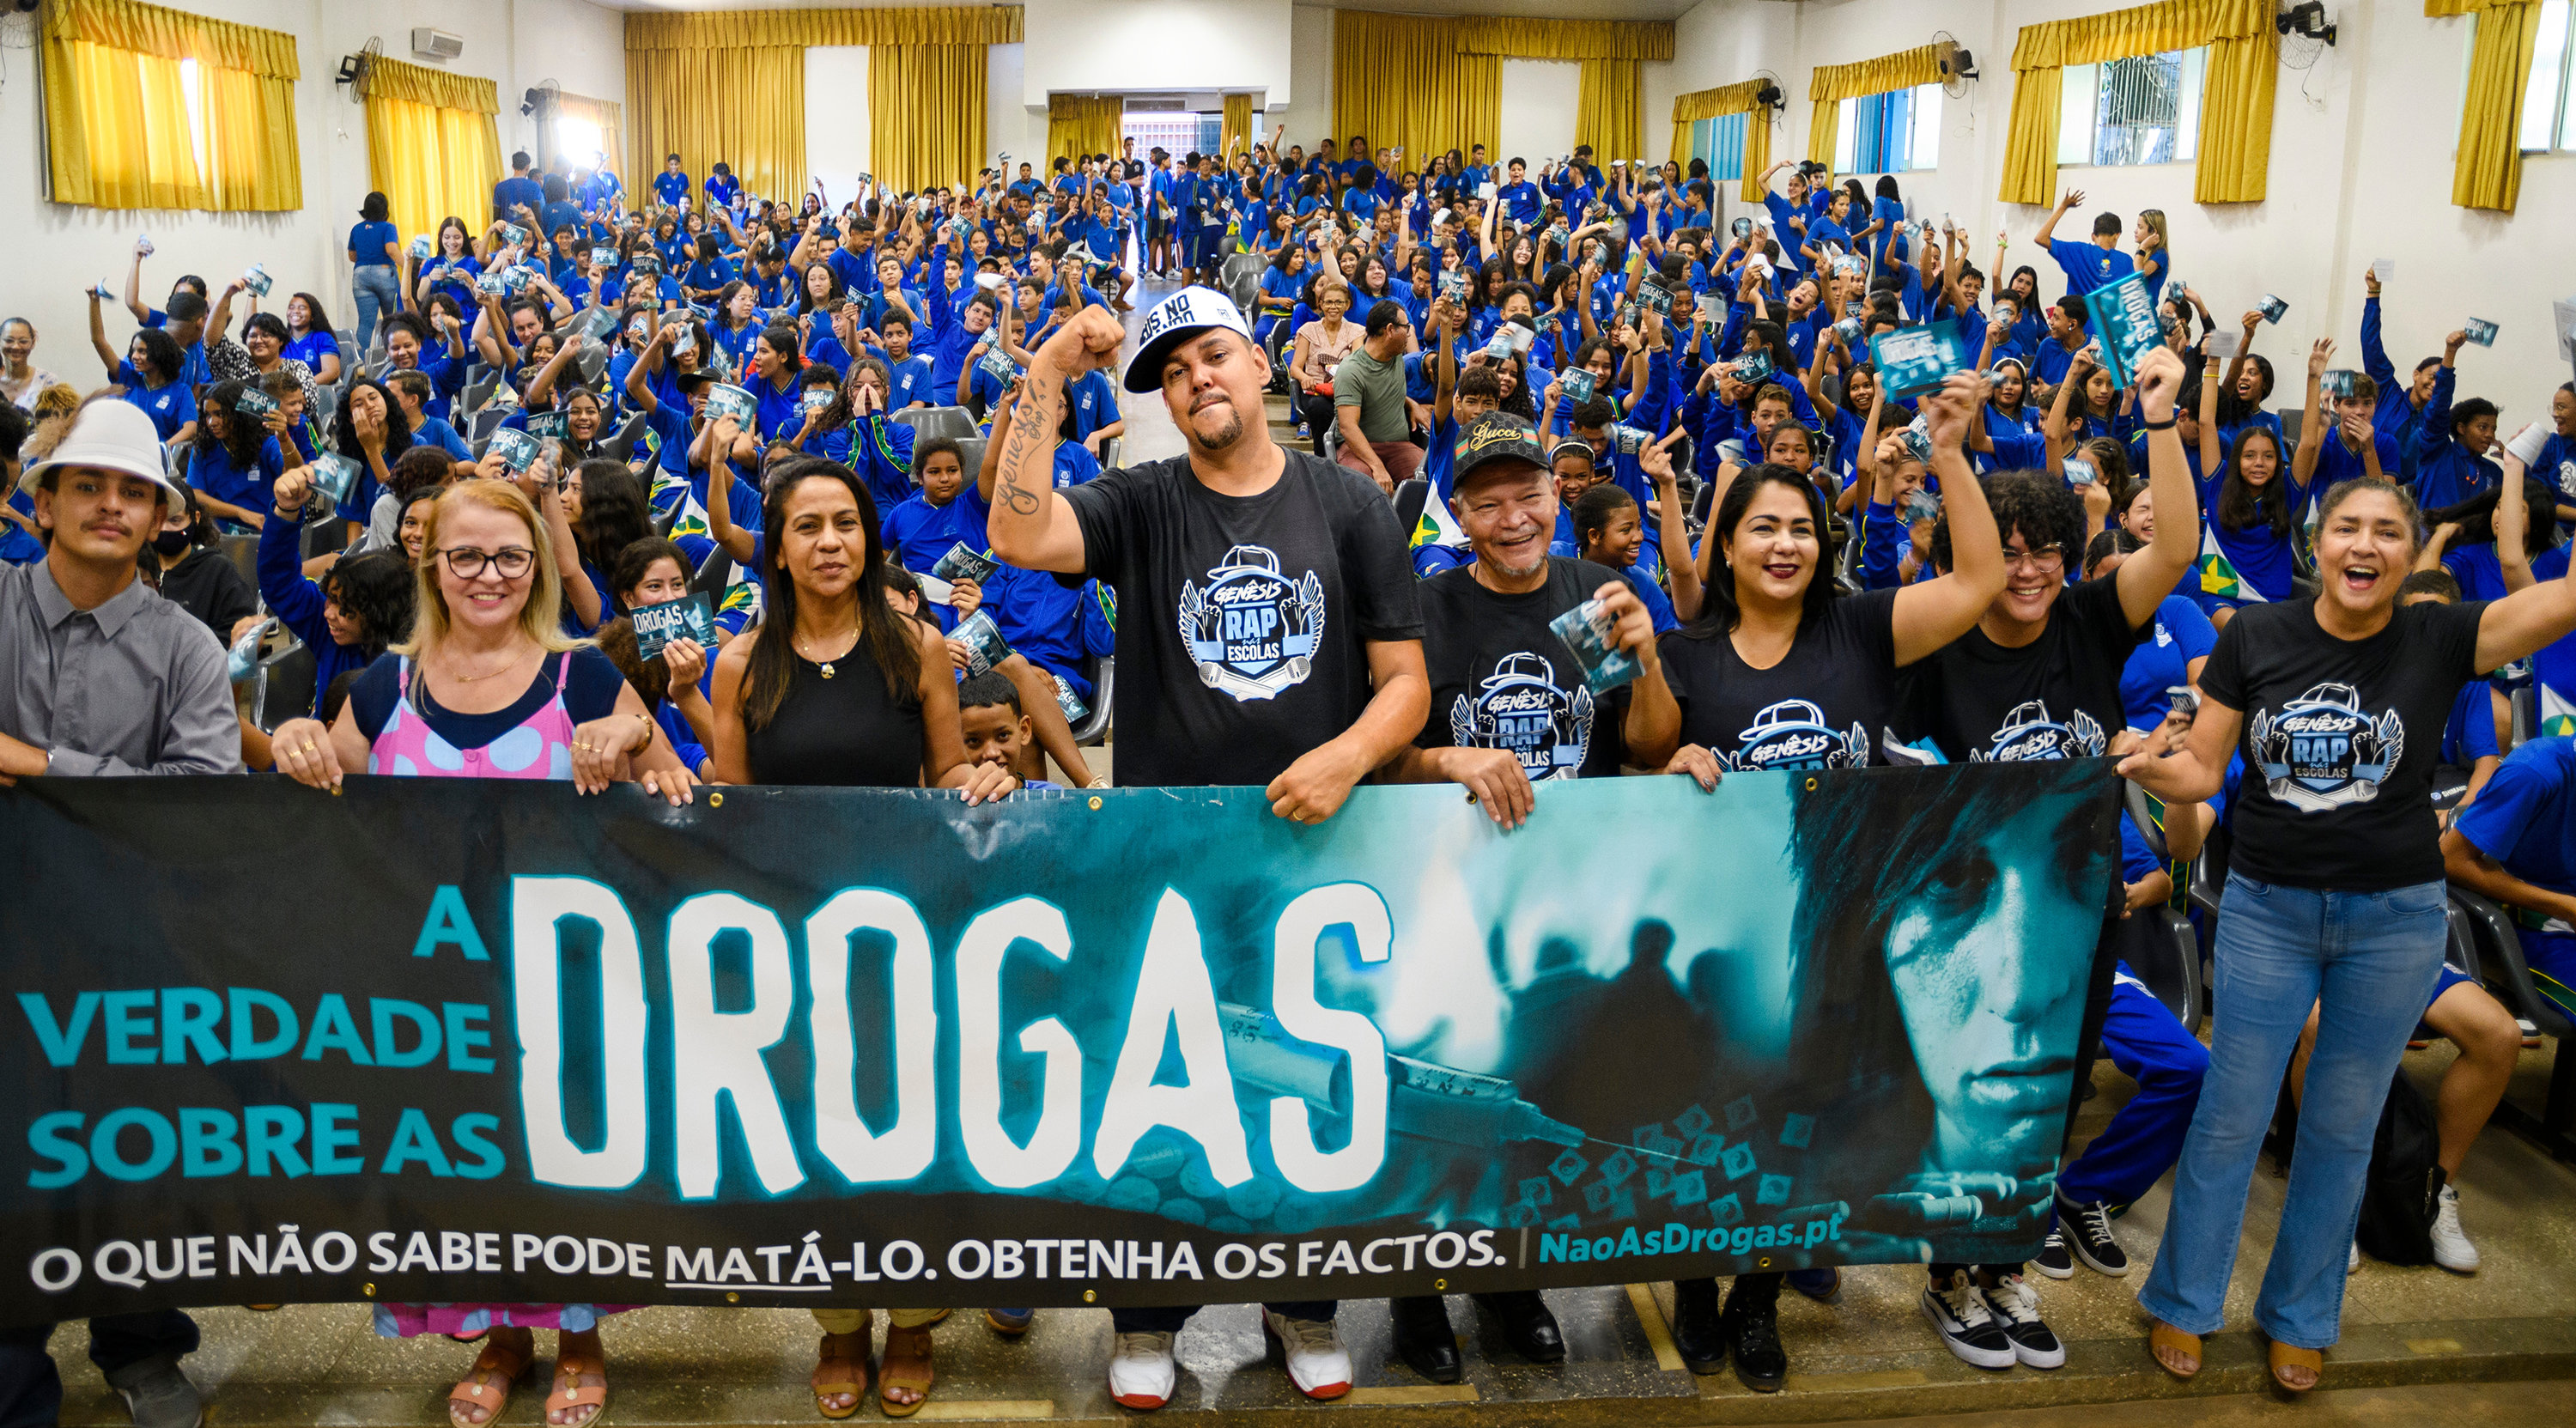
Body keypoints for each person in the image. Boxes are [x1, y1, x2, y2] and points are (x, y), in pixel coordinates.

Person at [986, 287, 1429, 1409]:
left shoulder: (1348, 501)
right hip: (1168, 859)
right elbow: (1017, 532)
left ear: (1262, 367)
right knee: (1163, 1083)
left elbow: (1406, 681)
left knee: (1305, 1081)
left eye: (1214, 355)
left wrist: (1347, 755)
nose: (1196, 379)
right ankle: (1147, 1313)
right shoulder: (1142, 501)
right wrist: (1047, 369)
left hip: (1311, 850)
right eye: (1173, 371)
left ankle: (1303, 1301)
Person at [2119, 471, 2576, 1392]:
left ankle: (2300, 1313)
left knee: (2342, 1123)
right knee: (2230, 1117)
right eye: (2347, 528)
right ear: (2318, 544)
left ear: (2410, 554)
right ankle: (2185, 1299)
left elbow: (2561, 599)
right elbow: (2202, 769)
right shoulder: (2256, 635)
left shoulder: (2443, 635)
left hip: (2394, 920)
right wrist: (2142, 764)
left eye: (2387, 532)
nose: (2365, 544)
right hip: (2268, 910)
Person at [1622, 373, 2005, 1390]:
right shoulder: (1685, 652)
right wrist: (1667, 764)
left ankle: (1757, 1299)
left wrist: (1950, 454)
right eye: (1763, 528)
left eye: (1802, 527)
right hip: (1722, 934)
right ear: (1727, 546)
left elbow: (1977, 582)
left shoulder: (1863, 630)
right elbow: (1637, 767)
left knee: (1799, 1118)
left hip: (1836, 936)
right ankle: (1695, 1282)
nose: (1785, 544)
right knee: (1712, 1114)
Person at [1893, 346, 2199, 1370]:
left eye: (2047, 553)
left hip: (2080, 913)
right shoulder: (1937, 642)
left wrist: (2161, 420)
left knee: (2054, 1100)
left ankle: (2006, 1264)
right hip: (1975, 923)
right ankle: (1949, 1275)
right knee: (1977, 1099)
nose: (2027, 572)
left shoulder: (2088, 622)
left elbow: (2175, 548)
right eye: (2009, 552)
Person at [1374, 411, 1667, 1379]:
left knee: (1534, 1098)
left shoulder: (1594, 594)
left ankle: (1509, 1283)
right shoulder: (1428, 606)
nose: (1513, 519)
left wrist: (1649, 659)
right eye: (1489, 503)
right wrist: (1447, 758)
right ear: (1459, 514)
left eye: (1529, 496)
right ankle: (1417, 1293)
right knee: (1435, 1096)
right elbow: (1377, 760)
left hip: (1564, 906)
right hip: (1448, 898)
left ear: (1557, 498)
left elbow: (1649, 746)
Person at [0, 398, 240, 1428]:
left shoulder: (187, 647)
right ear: (45, 502)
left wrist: (31, 764)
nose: (110, 505)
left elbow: (198, 802)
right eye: (88, 485)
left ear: (159, 516)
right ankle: (12, 1370)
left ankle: (141, 1342)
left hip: (126, 940)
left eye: (133, 492)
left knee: (125, 1146)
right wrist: (108, 782)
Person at [148, 486, 258, 647]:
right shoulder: (136, 567)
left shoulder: (218, 570)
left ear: (195, 518)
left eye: (175, 520)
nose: (165, 528)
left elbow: (240, 636)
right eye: (157, 520)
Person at [1333, 299, 1420, 493]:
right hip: (1359, 448)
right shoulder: (1351, 370)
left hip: (1399, 446)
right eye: (1405, 327)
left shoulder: (1396, 356)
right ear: (1390, 330)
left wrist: (1411, 404)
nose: (1409, 333)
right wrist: (1377, 466)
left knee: (1427, 477)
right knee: (1363, 485)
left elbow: (1381, 391)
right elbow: (1347, 427)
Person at [349, 191, 405, 352]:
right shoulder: (388, 227)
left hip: (360, 275)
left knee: (366, 324)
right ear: (385, 209)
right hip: (384, 273)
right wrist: (409, 267)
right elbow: (391, 250)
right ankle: (392, 357)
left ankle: (360, 361)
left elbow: (352, 256)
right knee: (392, 320)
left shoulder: (356, 229)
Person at [2, 318, 64, 410]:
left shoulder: (47, 382)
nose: (16, 347)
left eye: (23, 342)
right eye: (9, 341)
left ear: (33, 342)